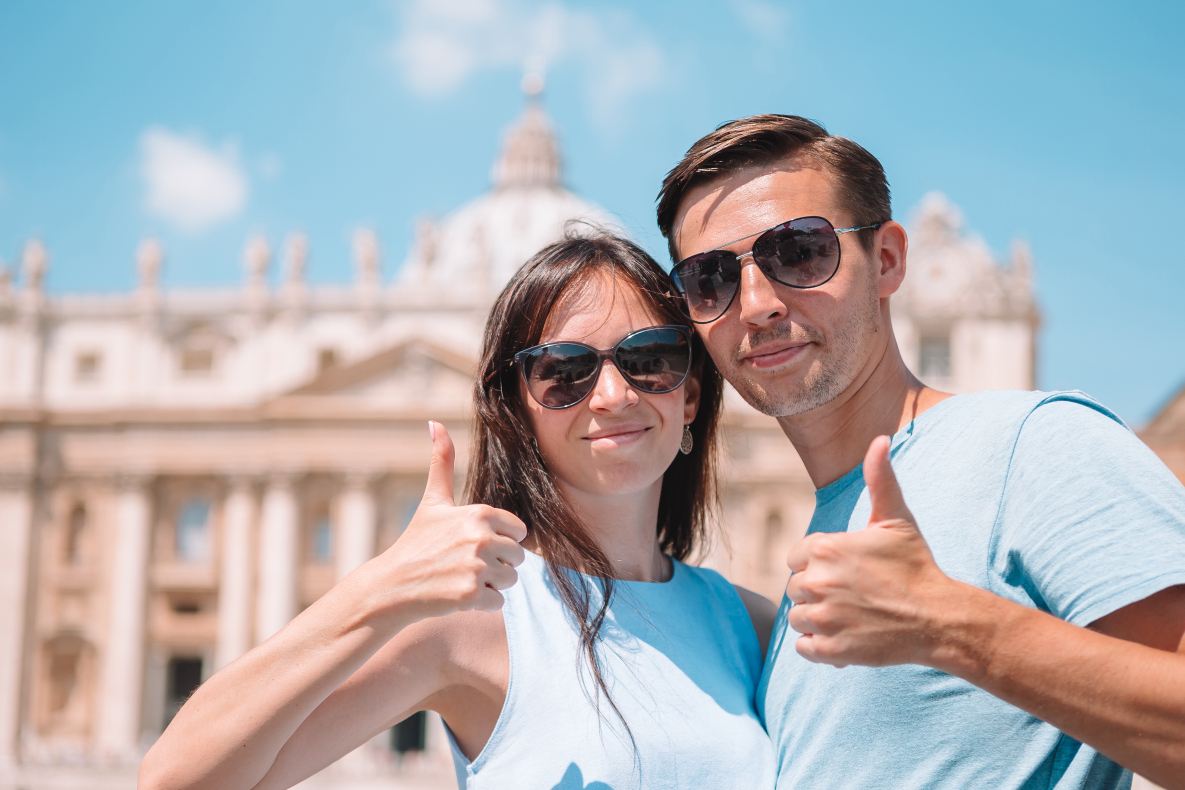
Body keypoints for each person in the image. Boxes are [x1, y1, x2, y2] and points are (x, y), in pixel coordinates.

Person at [655, 114, 1185, 789]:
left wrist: (945, 625)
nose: (755, 303)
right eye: (709, 278)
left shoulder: (1034, 443)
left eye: (797, 252)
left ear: (885, 260)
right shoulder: (816, 553)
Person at [138, 232, 776, 790]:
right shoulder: (476, 619)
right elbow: (174, 781)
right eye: (565, 372)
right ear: (518, 412)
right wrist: (382, 588)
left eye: (649, 360)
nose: (612, 395)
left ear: (690, 395)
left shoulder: (751, 626)